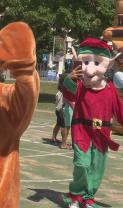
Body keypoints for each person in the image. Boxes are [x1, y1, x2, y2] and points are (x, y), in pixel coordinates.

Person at [60, 38, 122, 208]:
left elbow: (119, 110)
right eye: (86, 61)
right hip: (82, 130)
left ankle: (88, 197)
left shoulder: (109, 87)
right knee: (81, 163)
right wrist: (70, 79)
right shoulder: (79, 85)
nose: (90, 68)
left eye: (95, 62)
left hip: (102, 132)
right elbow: (69, 96)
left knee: (97, 167)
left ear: (106, 64)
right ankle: (76, 196)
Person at [52, 74, 65, 143]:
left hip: (57, 109)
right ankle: (64, 141)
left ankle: (54, 137)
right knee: (64, 125)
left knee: (58, 124)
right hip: (62, 109)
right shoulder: (64, 92)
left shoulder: (59, 92)